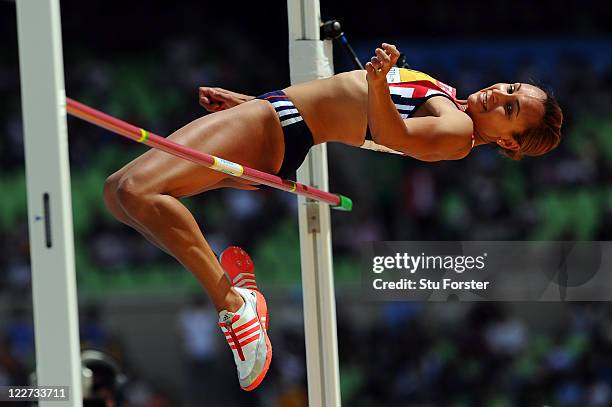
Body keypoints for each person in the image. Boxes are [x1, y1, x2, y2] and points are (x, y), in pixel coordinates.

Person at [102, 43, 563, 391]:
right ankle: (237, 294)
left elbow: (391, 134)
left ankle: (234, 305)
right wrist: (249, 104)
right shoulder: (455, 102)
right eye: (510, 89)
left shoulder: (458, 130)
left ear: (508, 142)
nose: (497, 96)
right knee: (118, 195)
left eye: (509, 110)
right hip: (274, 116)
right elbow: (337, 103)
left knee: (134, 190)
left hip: (277, 125)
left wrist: (379, 81)